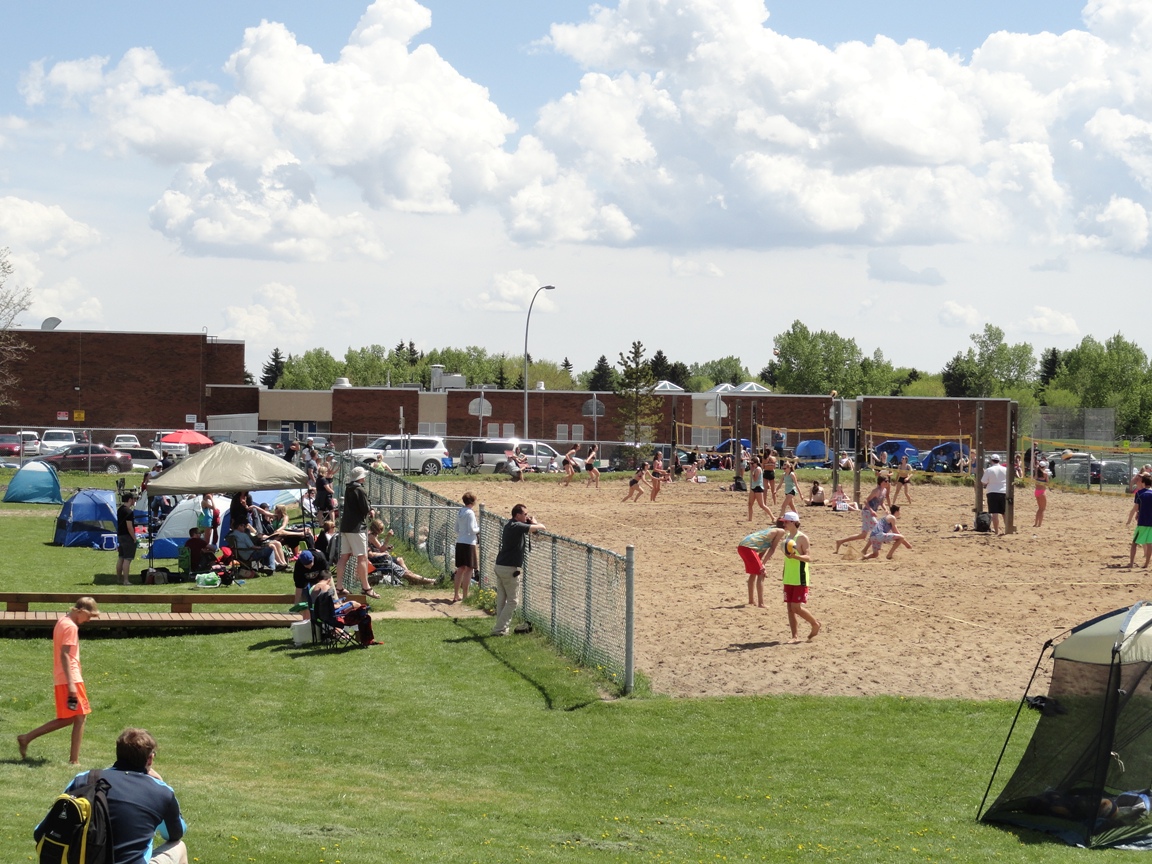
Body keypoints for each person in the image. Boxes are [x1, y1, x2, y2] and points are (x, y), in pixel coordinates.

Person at [36, 728, 188, 864]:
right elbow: (174, 834)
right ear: (150, 759)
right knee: (179, 847)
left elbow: (40, 832)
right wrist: (161, 782)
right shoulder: (161, 791)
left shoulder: (84, 779)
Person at [18, 597, 100, 764]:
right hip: (71, 678)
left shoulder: (62, 621)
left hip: (62, 677)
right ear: (81, 611)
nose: (89, 620)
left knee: (72, 717)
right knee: (80, 717)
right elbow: (65, 655)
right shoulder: (70, 627)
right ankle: (74, 761)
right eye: (89, 616)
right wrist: (71, 684)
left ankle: (27, 737)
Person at [491, 504, 545, 636]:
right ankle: (498, 629)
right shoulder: (516, 526)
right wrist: (535, 523)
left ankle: (502, 629)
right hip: (509, 568)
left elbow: (533, 532)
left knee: (502, 599)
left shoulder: (511, 525)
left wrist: (530, 524)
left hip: (501, 566)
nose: (526, 516)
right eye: (525, 514)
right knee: (513, 601)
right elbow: (541, 528)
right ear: (517, 515)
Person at [337, 466, 378, 598]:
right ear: (360, 477)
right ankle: (366, 587)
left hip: (345, 527)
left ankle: (339, 587)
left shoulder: (349, 488)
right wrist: (371, 510)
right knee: (362, 557)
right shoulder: (360, 489)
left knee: (344, 557)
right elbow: (365, 508)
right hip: (356, 527)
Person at [780, 512, 820, 643]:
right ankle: (795, 636)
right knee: (789, 608)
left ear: (793, 522)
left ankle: (815, 624)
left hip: (800, 577)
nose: (784, 524)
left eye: (786, 522)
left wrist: (795, 556)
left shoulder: (802, 538)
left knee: (796, 607)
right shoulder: (787, 537)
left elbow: (808, 558)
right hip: (788, 576)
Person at [737, 519, 786, 607]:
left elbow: (764, 548)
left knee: (754, 573)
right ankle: (761, 603)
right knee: (761, 574)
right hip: (748, 547)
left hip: (742, 546)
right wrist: (762, 565)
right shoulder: (781, 531)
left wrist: (762, 563)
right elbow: (772, 549)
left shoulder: (771, 530)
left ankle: (751, 600)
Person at [834, 476, 890, 553]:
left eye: (888, 481)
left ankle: (840, 541)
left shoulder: (884, 490)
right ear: (881, 482)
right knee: (877, 530)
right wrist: (871, 511)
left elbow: (881, 502)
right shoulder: (876, 491)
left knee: (863, 535)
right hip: (867, 512)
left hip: (870, 513)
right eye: (886, 481)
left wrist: (886, 509)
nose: (887, 482)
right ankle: (865, 550)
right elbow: (865, 501)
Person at [453, 492, 479, 602]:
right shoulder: (470, 513)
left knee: (460, 569)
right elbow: (472, 530)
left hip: (460, 541)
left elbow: (456, 528)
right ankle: (465, 595)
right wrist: (479, 528)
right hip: (469, 543)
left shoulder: (460, 511)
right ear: (473, 502)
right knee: (469, 569)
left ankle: (456, 594)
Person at [1127, 473, 1152, 568]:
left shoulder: (1139, 493)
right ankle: (1146, 564)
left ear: (1144, 483)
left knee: (1134, 544)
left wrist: (1138, 513)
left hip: (1142, 522)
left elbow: (1136, 508)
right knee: (1150, 544)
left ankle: (1131, 563)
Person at [981, 454, 1009, 535]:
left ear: (991, 460)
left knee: (994, 513)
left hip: (992, 492)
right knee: (1004, 513)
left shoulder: (989, 470)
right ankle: (1007, 529)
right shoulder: (1005, 469)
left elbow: (983, 482)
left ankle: (996, 531)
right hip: (1003, 491)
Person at [116, 493, 138, 585]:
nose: (135, 501)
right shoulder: (129, 512)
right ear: (130, 500)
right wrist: (134, 538)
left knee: (121, 558)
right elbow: (129, 527)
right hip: (127, 537)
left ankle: (118, 579)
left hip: (120, 536)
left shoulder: (120, 509)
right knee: (127, 559)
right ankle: (126, 580)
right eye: (134, 499)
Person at [747, 456, 774, 522]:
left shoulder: (758, 469)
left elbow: (755, 479)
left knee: (762, 505)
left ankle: (772, 517)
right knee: (750, 504)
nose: (751, 465)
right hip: (753, 487)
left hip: (758, 488)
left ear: (756, 463)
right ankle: (750, 519)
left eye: (752, 463)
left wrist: (752, 472)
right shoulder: (755, 469)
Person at [1034, 459, 1050, 527]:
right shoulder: (1045, 474)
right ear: (1044, 467)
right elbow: (1047, 483)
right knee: (1042, 509)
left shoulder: (1036, 474)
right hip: (1042, 492)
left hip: (1036, 491)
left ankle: (1035, 523)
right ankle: (1039, 524)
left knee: (1039, 508)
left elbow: (1037, 468)